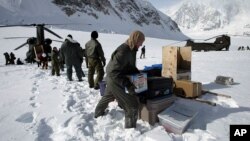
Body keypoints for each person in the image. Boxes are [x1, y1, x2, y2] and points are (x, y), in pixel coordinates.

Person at [94, 30, 145, 128]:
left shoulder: (132, 49)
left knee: (108, 96)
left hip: (115, 76)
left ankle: (98, 114)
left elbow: (129, 66)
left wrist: (139, 75)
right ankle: (131, 129)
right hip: (114, 78)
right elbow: (113, 71)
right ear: (135, 39)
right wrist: (128, 85)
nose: (141, 45)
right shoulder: (124, 51)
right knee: (132, 104)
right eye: (140, 42)